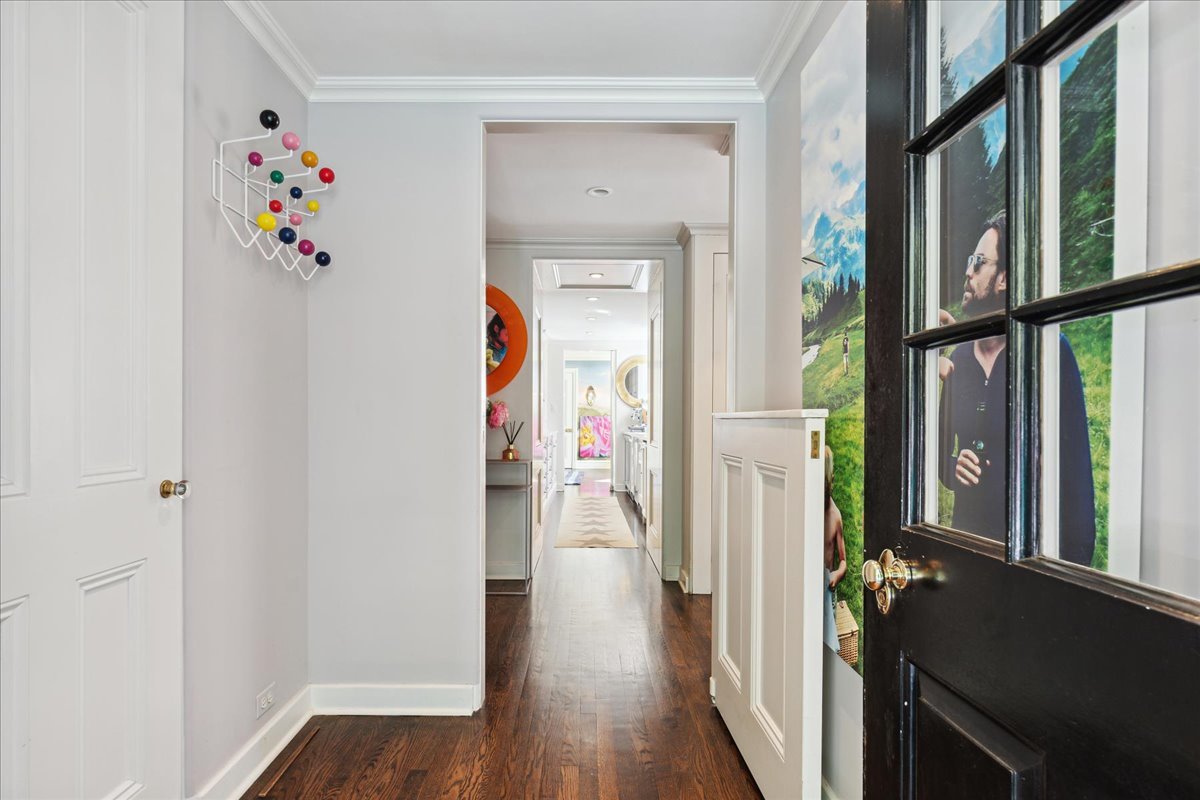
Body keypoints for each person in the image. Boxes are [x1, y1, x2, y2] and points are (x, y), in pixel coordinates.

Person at [937, 213, 1096, 565]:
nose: (968, 272)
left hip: (1025, 562)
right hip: (965, 554)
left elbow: (1078, 490)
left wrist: (1069, 582)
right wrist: (953, 467)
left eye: (978, 263)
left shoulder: (1049, 354)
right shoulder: (958, 357)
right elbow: (938, 457)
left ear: (1005, 278)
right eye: (969, 262)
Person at [823, 446, 848, 651]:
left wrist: (836, 576)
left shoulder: (835, 517)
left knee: (827, 635)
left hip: (826, 587)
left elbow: (843, 561)